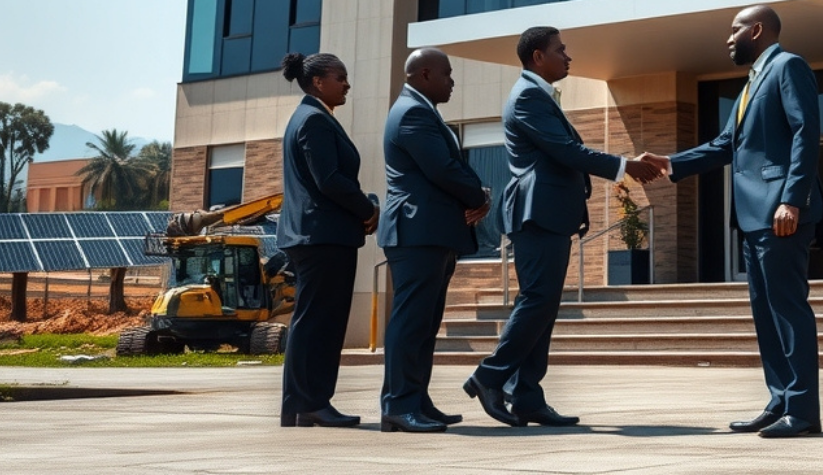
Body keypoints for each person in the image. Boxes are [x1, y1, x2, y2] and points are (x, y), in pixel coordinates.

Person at [464, 27, 663, 427]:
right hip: (536, 214)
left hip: (548, 214)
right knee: (538, 301)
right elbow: (566, 151)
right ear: (538, 57)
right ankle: (489, 377)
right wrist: (625, 166)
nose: (568, 57)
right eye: (561, 50)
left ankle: (527, 397)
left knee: (544, 305)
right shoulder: (527, 96)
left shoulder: (538, 96)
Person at [642, 5, 823, 438]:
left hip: (780, 212)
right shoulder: (751, 83)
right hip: (753, 217)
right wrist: (672, 163)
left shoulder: (787, 66)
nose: (728, 38)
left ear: (756, 30)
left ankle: (803, 411)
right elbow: (726, 144)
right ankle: (780, 401)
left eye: (735, 30)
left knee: (788, 310)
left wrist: (792, 200)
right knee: (766, 314)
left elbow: (806, 132)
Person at [377, 47, 492, 433]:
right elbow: (443, 168)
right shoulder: (413, 112)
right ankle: (398, 405)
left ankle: (416, 400)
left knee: (424, 324)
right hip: (417, 231)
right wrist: (480, 197)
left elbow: (449, 167)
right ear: (424, 74)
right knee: (411, 322)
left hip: (431, 231)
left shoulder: (422, 110)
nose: (452, 81)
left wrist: (477, 195)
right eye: (447, 73)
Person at [276, 51, 379, 429]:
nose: (347, 84)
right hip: (322, 236)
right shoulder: (314, 120)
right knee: (321, 322)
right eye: (341, 77)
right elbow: (330, 180)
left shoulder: (308, 117)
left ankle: (301, 405)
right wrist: (368, 209)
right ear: (318, 82)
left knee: (312, 321)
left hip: (316, 235)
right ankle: (311, 402)